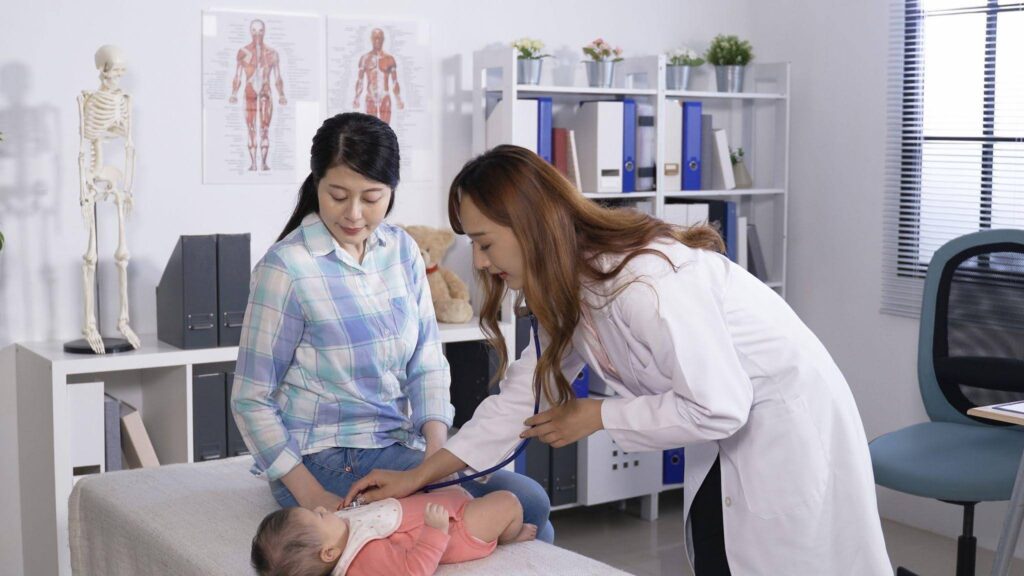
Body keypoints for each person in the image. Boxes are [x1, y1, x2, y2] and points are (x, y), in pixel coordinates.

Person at [344, 145, 892, 575]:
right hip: (730, 439)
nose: (482, 263)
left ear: (531, 227)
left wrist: (598, 416)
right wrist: (418, 476)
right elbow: (518, 401)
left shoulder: (643, 283)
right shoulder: (573, 285)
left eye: (485, 243)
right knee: (719, 551)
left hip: (787, 430)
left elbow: (721, 405)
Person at [231, 114, 554, 545]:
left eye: (372, 197)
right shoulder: (287, 268)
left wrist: (437, 451)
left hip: (394, 445)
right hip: (320, 459)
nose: (353, 213)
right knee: (524, 507)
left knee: (532, 503)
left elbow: (426, 359)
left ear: (392, 191)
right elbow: (250, 398)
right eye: (338, 195)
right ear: (316, 184)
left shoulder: (401, 250)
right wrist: (311, 494)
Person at [250, 487, 536, 576]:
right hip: (455, 529)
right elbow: (412, 570)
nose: (323, 510)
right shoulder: (364, 558)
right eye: (318, 517)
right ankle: (508, 536)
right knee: (508, 502)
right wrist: (435, 532)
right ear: (329, 553)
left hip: (440, 507)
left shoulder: (343, 533)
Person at [228, 19, 286, 171]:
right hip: (249, 93)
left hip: (266, 93)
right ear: (250, 31)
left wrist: (281, 95)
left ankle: (264, 163)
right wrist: (234, 93)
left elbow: (278, 77)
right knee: (251, 128)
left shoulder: (272, 54)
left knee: (265, 129)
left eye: (260, 31)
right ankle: (253, 163)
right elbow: (238, 76)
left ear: (264, 32)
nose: (257, 34)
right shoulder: (243, 53)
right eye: (254, 30)